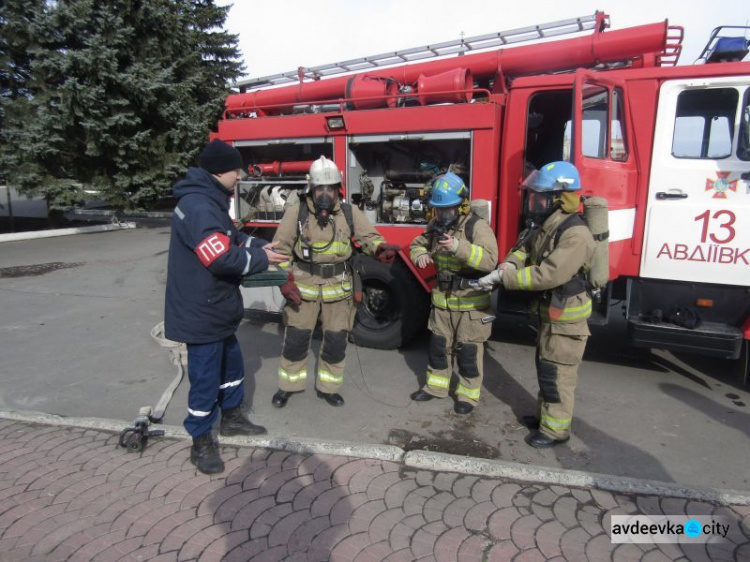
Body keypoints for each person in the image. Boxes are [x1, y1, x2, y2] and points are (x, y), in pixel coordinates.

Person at [164, 138, 287, 474]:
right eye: (236, 170)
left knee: (231, 369)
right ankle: (200, 441)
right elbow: (219, 258)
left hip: (215, 309)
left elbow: (229, 239)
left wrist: (259, 244)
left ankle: (232, 418)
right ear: (220, 171)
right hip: (201, 313)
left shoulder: (209, 201)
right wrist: (260, 259)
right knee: (205, 379)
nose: (239, 175)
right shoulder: (200, 207)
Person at [478, 161, 595, 448]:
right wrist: (507, 264)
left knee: (558, 373)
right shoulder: (546, 226)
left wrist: (506, 279)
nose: (535, 202)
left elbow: (547, 274)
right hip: (551, 316)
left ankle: (556, 430)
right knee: (546, 368)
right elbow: (523, 249)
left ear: (560, 199)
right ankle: (546, 417)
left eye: (542, 197)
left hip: (567, 320)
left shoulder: (575, 234)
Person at [271, 156, 400, 408]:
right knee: (296, 340)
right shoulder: (295, 213)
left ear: (338, 188)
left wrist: (379, 248)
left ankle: (329, 388)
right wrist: (284, 281)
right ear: (312, 188)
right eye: (321, 188)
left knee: (335, 341)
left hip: (338, 291)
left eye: (331, 188)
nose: (326, 194)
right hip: (303, 289)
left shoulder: (349, 213)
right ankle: (288, 386)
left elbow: (369, 237)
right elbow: (280, 250)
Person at [409, 172, 498, 414]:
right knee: (438, 346)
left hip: (470, 304)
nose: (442, 215)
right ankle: (435, 387)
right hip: (442, 302)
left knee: (468, 352)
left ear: (462, 206)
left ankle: (468, 396)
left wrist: (459, 247)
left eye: (447, 210)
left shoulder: (476, 226)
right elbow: (417, 244)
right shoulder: (435, 225)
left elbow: (491, 259)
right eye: (439, 210)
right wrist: (420, 256)